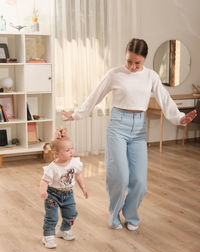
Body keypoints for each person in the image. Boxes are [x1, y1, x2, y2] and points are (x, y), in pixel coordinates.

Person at [61, 38, 196, 231]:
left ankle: (131, 214)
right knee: (120, 177)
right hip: (117, 126)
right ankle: (114, 214)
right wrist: (76, 114)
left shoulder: (151, 76)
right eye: (129, 61)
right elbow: (95, 95)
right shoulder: (114, 74)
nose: (132, 66)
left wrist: (180, 118)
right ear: (125, 56)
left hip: (139, 129)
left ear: (145, 59)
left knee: (140, 181)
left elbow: (165, 100)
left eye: (137, 63)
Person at [40, 129, 88, 248]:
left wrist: (83, 187)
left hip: (68, 194)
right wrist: (43, 191)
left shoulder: (74, 163)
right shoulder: (52, 168)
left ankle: (63, 230)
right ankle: (48, 236)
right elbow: (44, 181)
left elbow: (78, 175)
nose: (71, 152)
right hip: (53, 195)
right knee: (52, 217)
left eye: (72, 148)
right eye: (67, 150)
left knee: (71, 214)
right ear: (56, 153)